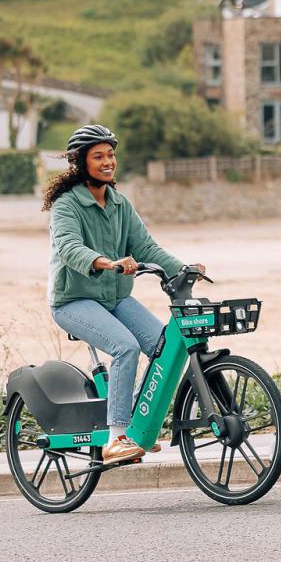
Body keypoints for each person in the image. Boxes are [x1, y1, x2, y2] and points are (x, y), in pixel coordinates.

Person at [43, 124, 204, 465]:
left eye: (111, 155)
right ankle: (117, 437)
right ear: (80, 162)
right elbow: (70, 249)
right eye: (98, 156)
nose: (107, 162)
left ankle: (137, 420)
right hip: (74, 300)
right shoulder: (66, 205)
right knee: (125, 347)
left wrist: (184, 267)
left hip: (115, 298)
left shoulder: (119, 203)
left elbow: (146, 247)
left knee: (164, 348)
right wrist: (107, 263)